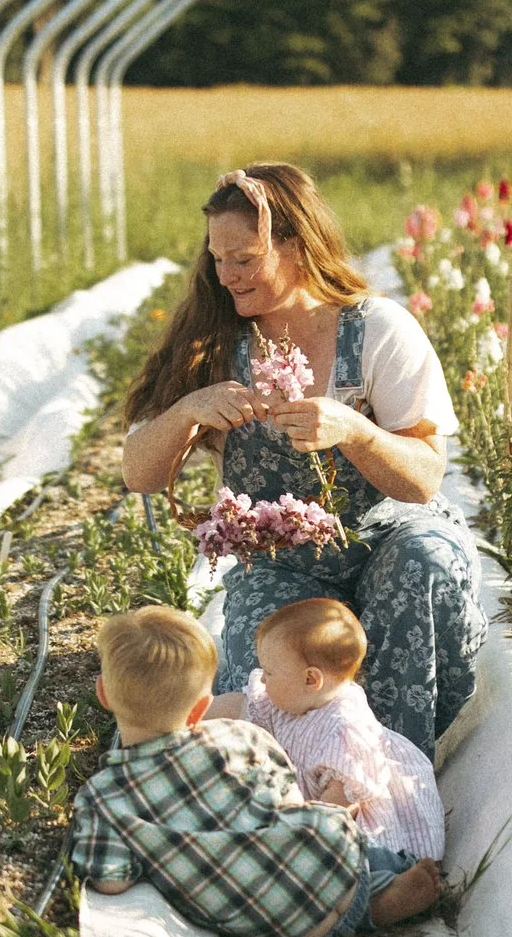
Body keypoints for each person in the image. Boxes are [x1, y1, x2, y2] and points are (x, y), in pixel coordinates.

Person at [121, 161, 486, 757]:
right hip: (282, 558)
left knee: (425, 564)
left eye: (246, 258)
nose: (227, 276)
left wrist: (356, 431)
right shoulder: (212, 340)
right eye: (218, 259)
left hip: (386, 534)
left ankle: (394, 785)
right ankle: (292, 801)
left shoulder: (377, 330)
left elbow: (423, 480)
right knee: (269, 679)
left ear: (298, 246)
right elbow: (139, 472)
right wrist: (191, 409)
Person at [70, 605, 440, 937]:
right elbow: (292, 803)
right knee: (325, 830)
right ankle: (389, 881)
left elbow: (111, 881)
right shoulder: (240, 735)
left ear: (102, 693)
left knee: (278, 889)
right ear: (201, 709)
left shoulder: (102, 798)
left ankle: (372, 908)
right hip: (332, 864)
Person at [209, 597, 445, 861]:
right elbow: (241, 707)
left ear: (311, 678)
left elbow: (339, 809)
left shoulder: (345, 732)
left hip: (352, 824)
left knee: (357, 860)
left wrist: (291, 836)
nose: (261, 678)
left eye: (269, 671)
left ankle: (391, 888)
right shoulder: (293, 698)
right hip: (308, 804)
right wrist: (191, 716)